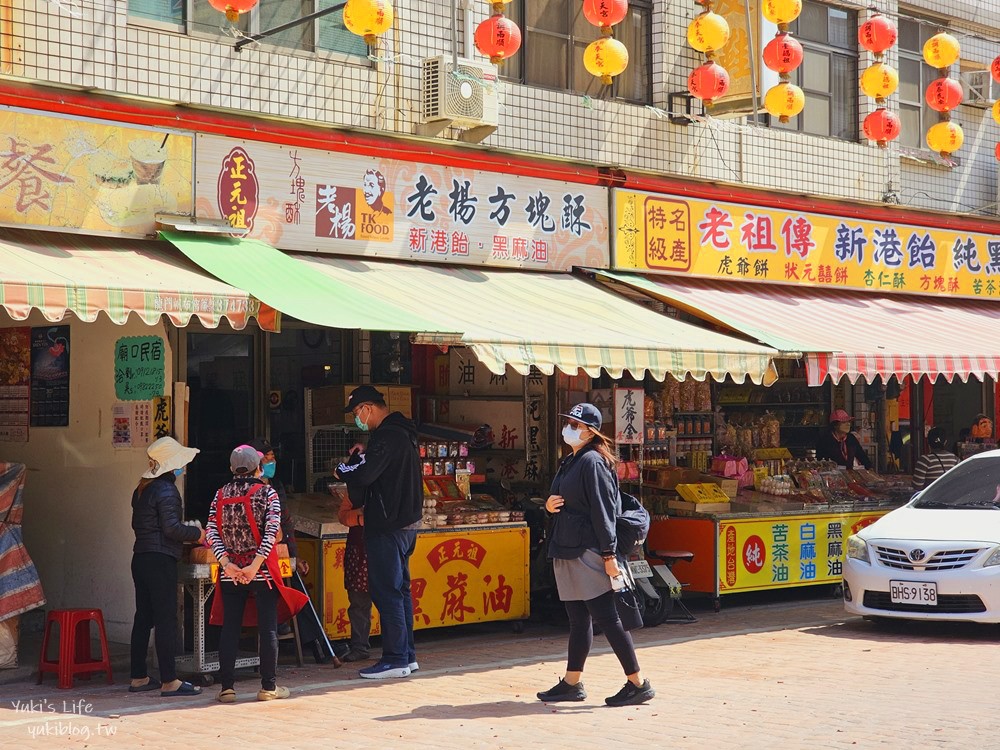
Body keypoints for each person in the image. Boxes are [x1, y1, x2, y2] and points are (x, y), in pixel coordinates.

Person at [538, 403, 655, 707]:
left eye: (576, 425)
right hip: (568, 545)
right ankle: (571, 682)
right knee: (578, 619)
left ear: (591, 431)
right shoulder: (572, 460)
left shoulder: (592, 461)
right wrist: (549, 506)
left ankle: (637, 683)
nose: (569, 429)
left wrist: (608, 553)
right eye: (569, 423)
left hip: (588, 548)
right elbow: (563, 498)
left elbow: (604, 511)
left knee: (607, 616)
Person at [206, 445, 307, 703]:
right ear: (258, 467)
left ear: (232, 469)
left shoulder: (220, 495)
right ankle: (268, 687)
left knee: (230, 627)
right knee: (268, 628)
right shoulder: (267, 493)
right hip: (260, 572)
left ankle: (226, 688)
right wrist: (254, 566)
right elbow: (272, 531)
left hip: (232, 573)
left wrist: (228, 564)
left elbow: (212, 532)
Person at [335, 385, 421, 679]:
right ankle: (407, 655)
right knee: (401, 590)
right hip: (407, 524)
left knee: (387, 591)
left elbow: (366, 475)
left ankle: (395, 657)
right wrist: (365, 454)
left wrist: (343, 470)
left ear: (367, 408)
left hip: (387, 524)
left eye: (357, 412)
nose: (358, 419)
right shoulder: (402, 433)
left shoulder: (387, 435)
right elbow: (377, 465)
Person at [248, 437, 339, 666]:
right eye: (267, 458)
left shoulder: (275, 486)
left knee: (297, 594)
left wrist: (293, 556)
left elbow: (285, 525)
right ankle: (317, 645)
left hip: (277, 554)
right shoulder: (242, 488)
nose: (272, 461)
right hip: (253, 559)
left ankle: (319, 645)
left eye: (273, 457)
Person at [128, 436, 204, 697]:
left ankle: (138, 676)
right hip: (160, 560)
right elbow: (172, 529)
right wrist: (198, 535)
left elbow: (139, 525)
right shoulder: (166, 490)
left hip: (141, 558)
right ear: (173, 465)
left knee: (144, 617)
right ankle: (169, 680)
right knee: (165, 620)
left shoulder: (143, 488)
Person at [337, 477, 372, 662]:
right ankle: (360, 647)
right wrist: (359, 515)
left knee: (390, 601)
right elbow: (343, 516)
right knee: (358, 602)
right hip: (358, 550)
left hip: (382, 548)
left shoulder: (390, 485)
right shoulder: (354, 490)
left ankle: (398, 647)